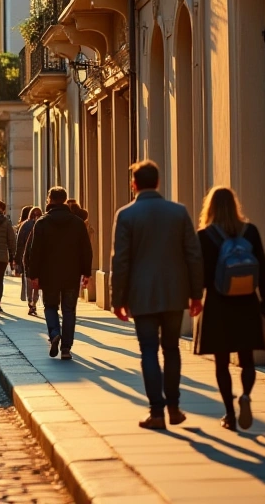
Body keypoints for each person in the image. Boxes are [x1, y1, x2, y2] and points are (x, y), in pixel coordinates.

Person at [112, 160, 203, 430]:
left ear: (134, 184)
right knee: (172, 349)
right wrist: (196, 293)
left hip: (142, 295)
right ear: (158, 182)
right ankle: (174, 407)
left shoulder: (126, 215)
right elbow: (193, 255)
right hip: (175, 294)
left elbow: (121, 261)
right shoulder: (178, 212)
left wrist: (118, 299)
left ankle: (157, 412)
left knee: (148, 351)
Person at [193, 187, 265, 431]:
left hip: (218, 304)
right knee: (246, 357)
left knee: (221, 362)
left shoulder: (205, 236)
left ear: (211, 208)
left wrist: (195, 297)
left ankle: (230, 413)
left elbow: (201, 274)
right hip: (247, 302)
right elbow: (262, 270)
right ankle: (246, 396)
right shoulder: (249, 232)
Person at [27, 188, 92, 360]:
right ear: (64, 200)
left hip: (49, 275)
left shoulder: (41, 223)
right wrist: (86, 272)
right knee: (69, 310)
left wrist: (33, 275)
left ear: (50, 199)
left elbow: (35, 252)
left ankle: (55, 332)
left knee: (50, 306)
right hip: (71, 274)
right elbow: (86, 250)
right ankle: (66, 348)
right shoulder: (77, 223)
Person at [17, 207, 43, 316]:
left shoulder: (25, 225)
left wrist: (17, 259)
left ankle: (30, 302)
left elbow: (19, 243)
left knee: (29, 282)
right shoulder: (42, 225)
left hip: (26, 258)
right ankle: (34, 303)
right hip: (39, 259)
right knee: (36, 284)